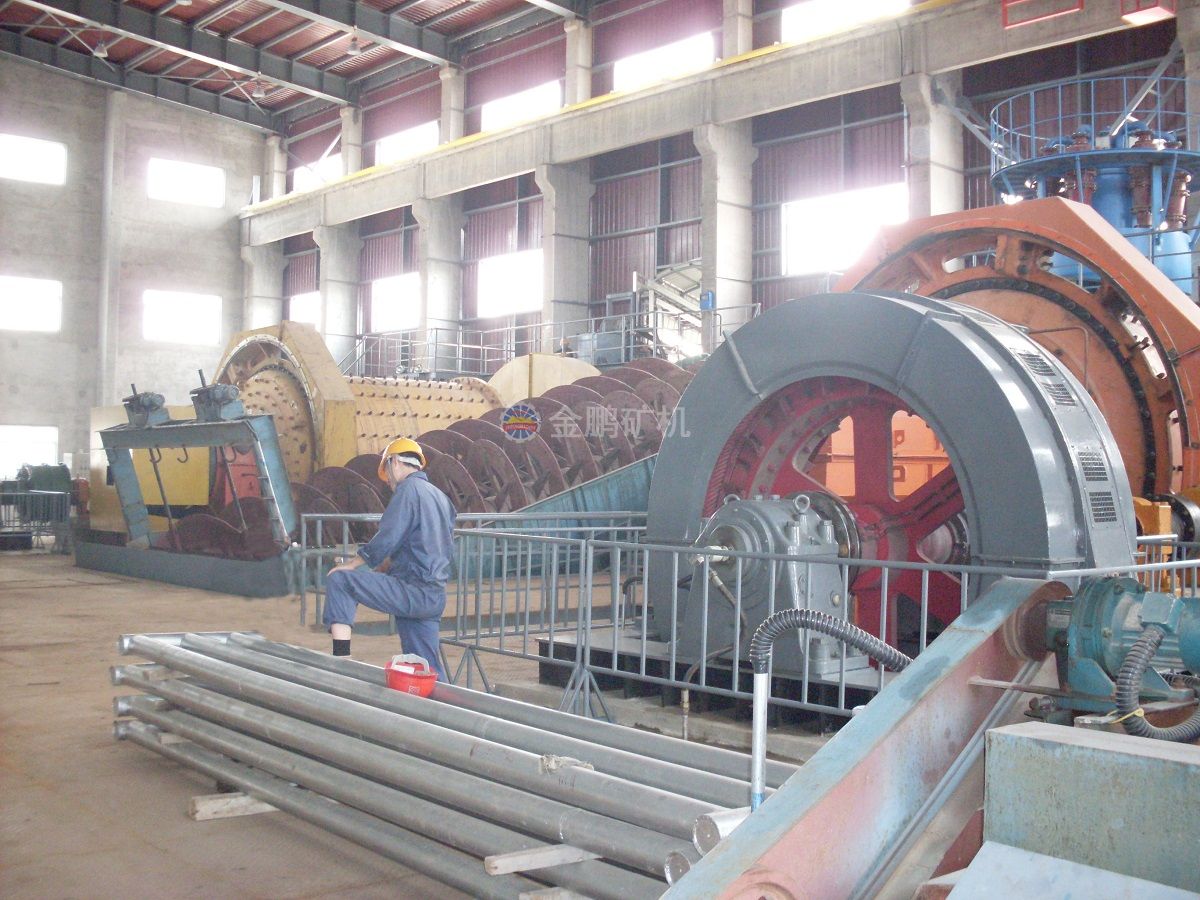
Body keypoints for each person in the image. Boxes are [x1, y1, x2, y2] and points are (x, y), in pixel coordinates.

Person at [323, 438, 456, 679]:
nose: (389, 483)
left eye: (387, 474)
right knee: (426, 669)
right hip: (434, 595)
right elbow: (427, 545)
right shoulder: (441, 498)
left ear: (394, 462)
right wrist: (386, 566)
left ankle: (341, 661)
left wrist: (352, 564)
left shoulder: (408, 491)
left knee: (340, 580)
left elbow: (387, 537)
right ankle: (446, 702)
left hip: (412, 590)